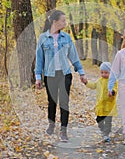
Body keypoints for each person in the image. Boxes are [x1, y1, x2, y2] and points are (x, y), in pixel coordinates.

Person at [34, 10, 87, 142]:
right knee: (52, 102)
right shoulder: (43, 38)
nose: (65, 23)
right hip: (50, 75)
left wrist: (81, 72)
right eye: (63, 20)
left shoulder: (67, 38)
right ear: (54, 22)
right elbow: (39, 59)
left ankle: (64, 130)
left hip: (65, 74)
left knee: (64, 102)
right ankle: (51, 125)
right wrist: (38, 77)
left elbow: (74, 57)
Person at [84, 62, 118, 142]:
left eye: (106, 73)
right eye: (102, 72)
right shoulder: (99, 80)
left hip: (109, 106)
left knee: (108, 122)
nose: (104, 74)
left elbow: (115, 89)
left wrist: (112, 92)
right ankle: (102, 131)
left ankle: (106, 134)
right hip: (100, 105)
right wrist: (86, 83)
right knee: (99, 119)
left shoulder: (112, 81)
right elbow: (93, 85)